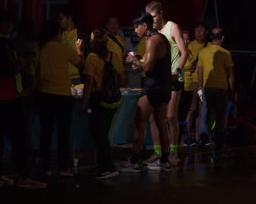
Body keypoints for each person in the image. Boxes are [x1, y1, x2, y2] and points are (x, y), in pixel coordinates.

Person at [0, 10, 46, 188]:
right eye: (9, 23)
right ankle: (23, 176)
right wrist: (20, 63)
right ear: (1, 24)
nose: (10, 27)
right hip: (7, 97)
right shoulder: (1, 41)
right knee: (20, 139)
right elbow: (7, 68)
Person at [118, 12, 172, 172]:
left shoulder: (151, 40)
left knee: (139, 123)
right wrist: (141, 63)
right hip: (164, 87)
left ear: (145, 26)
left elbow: (148, 67)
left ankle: (134, 161)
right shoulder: (162, 39)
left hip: (153, 87)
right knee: (162, 123)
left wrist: (133, 60)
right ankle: (165, 161)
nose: (135, 30)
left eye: (137, 26)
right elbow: (154, 64)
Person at [30, 20, 84, 179]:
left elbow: (32, 74)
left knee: (45, 132)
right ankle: (62, 167)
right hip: (63, 96)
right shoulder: (64, 48)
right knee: (63, 133)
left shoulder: (39, 49)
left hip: (44, 95)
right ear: (58, 34)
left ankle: (45, 166)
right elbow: (80, 63)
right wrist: (80, 51)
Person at [144, 0, 188, 166]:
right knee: (154, 118)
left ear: (161, 13)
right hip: (159, 79)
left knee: (170, 117)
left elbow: (184, 52)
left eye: (154, 16)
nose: (153, 20)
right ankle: (158, 152)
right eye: (150, 17)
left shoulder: (172, 27)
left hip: (174, 78)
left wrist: (177, 71)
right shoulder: (153, 32)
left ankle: (173, 152)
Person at [81, 29, 125, 179]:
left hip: (98, 100)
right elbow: (122, 78)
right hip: (113, 100)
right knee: (103, 133)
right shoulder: (115, 56)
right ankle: (102, 165)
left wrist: (83, 104)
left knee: (99, 135)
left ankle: (108, 167)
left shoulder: (91, 58)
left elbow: (88, 84)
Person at [197, 27, 235, 150]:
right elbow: (230, 75)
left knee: (205, 114)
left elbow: (200, 72)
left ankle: (203, 139)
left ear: (211, 38)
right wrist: (232, 91)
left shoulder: (203, 52)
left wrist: (200, 88)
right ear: (222, 38)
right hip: (221, 89)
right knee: (221, 116)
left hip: (207, 88)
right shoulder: (226, 53)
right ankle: (220, 141)